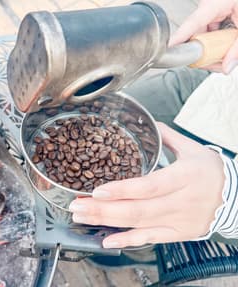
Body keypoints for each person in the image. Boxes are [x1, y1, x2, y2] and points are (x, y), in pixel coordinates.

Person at [69, 0, 238, 249]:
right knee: (103, 117)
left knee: (135, 224)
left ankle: (135, 254)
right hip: (220, 87)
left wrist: (230, 199)